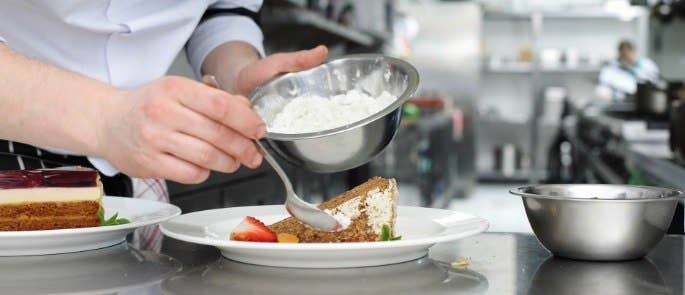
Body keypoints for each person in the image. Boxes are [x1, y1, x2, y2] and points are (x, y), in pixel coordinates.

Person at [0, 1, 328, 197]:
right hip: (15, 134)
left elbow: (220, 8)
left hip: (145, 151)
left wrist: (237, 69)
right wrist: (106, 119)